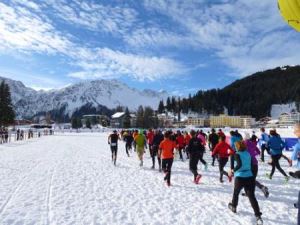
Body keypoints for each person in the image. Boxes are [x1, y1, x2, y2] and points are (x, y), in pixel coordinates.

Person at [228, 141, 263, 225]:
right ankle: (258, 216)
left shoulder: (237, 154)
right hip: (249, 176)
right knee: (252, 196)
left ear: (237, 147)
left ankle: (234, 206)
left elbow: (239, 165)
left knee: (236, 193)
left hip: (240, 177)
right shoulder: (248, 154)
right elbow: (251, 165)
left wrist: (233, 171)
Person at [244, 133, 269, 198]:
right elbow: (258, 152)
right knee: (251, 180)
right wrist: (253, 154)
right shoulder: (253, 144)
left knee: (247, 179)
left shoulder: (244, 143)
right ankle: (250, 192)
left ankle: (261, 187)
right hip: (255, 163)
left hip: (249, 164)